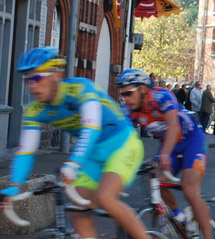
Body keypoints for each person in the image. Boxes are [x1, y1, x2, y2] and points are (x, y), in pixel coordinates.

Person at [0, 47, 149, 238]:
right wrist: (15, 184)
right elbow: (25, 151)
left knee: (106, 198)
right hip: (93, 154)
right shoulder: (35, 110)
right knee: (78, 212)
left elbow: (91, 128)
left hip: (122, 144)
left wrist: (73, 163)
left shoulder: (80, 88)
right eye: (28, 80)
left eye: (37, 78)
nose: (32, 86)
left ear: (55, 74)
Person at [116, 69, 212, 238]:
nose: (126, 99)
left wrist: (164, 155)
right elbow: (121, 138)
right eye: (123, 95)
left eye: (130, 93)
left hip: (191, 140)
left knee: (190, 189)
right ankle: (179, 217)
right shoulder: (129, 110)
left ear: (143, 89)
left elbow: (173, 126)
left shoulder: (161, 96)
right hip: (169, 145)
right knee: (154, 177)